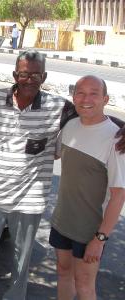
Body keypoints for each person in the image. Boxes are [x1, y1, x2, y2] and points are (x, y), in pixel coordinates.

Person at [0, 50, 125, 300]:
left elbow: (92, 113)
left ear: (43, 76)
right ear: (15, 75)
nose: (29, 79)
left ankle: (15, 296)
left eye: (36, 74)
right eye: (24, 73)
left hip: (29, 201)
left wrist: (123, 127)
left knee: (21, 259)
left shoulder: (58, 108)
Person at [49, 75, 125, 300]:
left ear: (105, 99)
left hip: (89, 230)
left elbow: (118, 197)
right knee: (63, 273)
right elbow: (52, 154)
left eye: (94, 93)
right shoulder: (70, 126)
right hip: (62, 220)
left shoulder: (116, 140)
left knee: (84, 286)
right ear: (73, 97)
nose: (86, 99)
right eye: (80, 93)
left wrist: (100, 239)